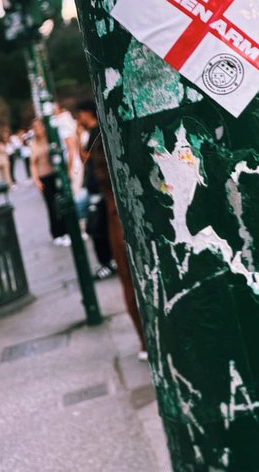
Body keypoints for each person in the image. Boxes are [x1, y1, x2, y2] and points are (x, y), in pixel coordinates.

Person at [74, 101, 146, 358]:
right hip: (122, 209)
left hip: (115, 212)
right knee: (130, 278)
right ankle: (145, 340)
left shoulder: (98, 137)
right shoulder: (110, 132)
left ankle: (144, 341)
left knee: (129, 279)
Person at [74, 101, 114, 279]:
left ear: (87, 113)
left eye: (80, 114)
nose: (78, 118)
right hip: (95, 186)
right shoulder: (92, 133)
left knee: (98, 227)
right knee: (97, 226)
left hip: (99, 187)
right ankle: (108, 261)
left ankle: (107, 263)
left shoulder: (97, 132)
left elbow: (90, 159)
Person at [30, 117, 70, 245]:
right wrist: (36, 180)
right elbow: (33, 164)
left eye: (40, 127)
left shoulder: (51, 139)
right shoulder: (34, 144)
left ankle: (66, 230)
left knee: (61, 202)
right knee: (51, 206)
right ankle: (57, 233)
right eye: (35, 128)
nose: (38, 130)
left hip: (55, 175)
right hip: (44, 177)